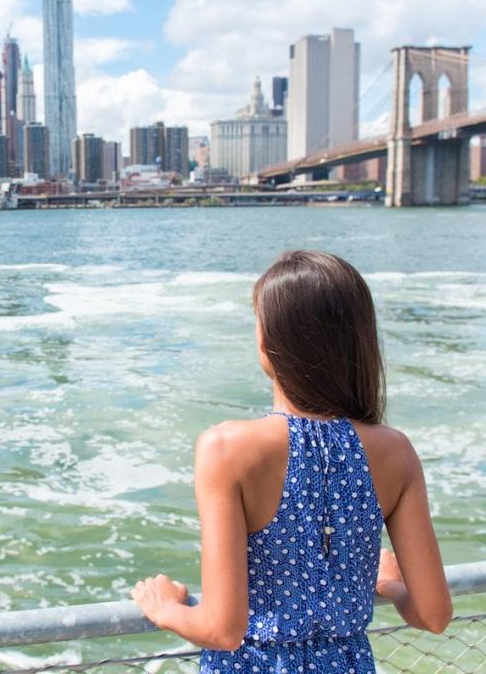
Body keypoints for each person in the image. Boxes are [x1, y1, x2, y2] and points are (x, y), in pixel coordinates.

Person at [131, 250, 452, 673]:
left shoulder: (226, 447)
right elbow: (433, 614)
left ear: (269, 344)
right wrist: (390, 584)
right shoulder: (396, 451)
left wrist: (163, 608)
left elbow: (223, 629)